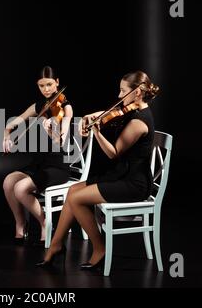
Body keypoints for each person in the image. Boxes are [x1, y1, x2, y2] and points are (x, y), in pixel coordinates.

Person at [36, 70, 159, 269]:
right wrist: (90, 117)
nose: (119, 96)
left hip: (133, 183)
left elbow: (114, 152)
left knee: (76, 198)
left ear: (137, 92)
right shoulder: (132, 110)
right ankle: (56, 246)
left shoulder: (139, 121)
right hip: (122, 175)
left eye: (123, 91)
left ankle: (99, 247)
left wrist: (95, 131)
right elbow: (106, 115)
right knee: (72, 191)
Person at [2, 66, 73, 245]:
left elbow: (61, 142)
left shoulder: (66, 108)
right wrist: (7, 133)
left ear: (57, 83)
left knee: (20, 189)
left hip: (57, 167)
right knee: (8, 182)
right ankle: (21, 223)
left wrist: (52, 131)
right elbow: (18, 119)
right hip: (39, 164)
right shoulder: (39, 106)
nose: (46, 89)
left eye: (49, 84)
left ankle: (45, 223)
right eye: (41, 86)